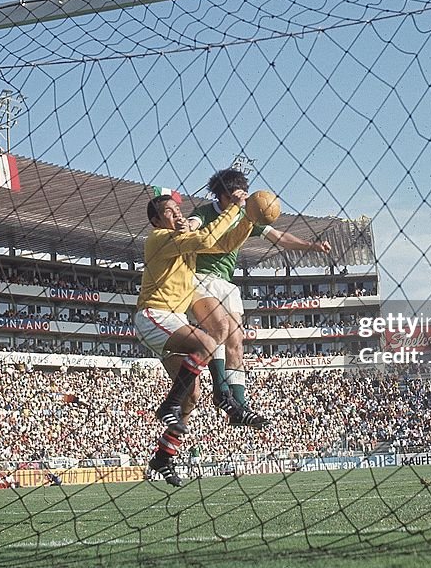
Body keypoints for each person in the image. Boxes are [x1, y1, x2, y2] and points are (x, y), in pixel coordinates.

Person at [134, 191, 260, 487]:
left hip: (172, 321)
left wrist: (248, 220)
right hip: (154, 315)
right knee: (205, 343)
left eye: (178, 210)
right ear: (156, 221)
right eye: (169, 212)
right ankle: (169, 407)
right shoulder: (159, 239)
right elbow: (205, 239)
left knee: (192, 397)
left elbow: (223, 244)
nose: (177, 214)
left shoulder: (184, 248)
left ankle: (163, 457)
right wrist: (233, 209)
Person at [187, 169, 331, 422]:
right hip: (199, 277)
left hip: (225, 283)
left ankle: (239, 406)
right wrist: (187, 225)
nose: (241, 199)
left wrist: (311, 245)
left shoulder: (247, 216)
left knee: (236, 341)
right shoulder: (205, 212)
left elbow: (279, 237)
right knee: (219, 328)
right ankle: (220, 391)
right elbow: (193, 226)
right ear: (222, 195)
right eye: (235, 195)